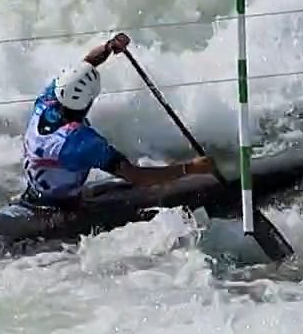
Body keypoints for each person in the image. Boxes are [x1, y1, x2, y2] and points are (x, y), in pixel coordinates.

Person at [20, 32, 213, 208]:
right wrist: (190, 168)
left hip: (35, 193)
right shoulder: (80, 142)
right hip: (62, 205)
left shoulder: (46, 101)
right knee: (135, 187)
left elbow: (86, 65)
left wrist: (109, 47)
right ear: (88, 102)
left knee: (116, 187)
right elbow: (136, 176)